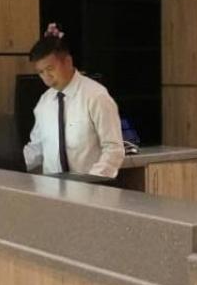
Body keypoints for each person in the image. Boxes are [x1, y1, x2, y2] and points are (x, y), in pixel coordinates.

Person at [22, 34, 124, 178]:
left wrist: (92, 180)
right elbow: (37, 147)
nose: (46, 76)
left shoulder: (96, 96)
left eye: (50, 68)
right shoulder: (44, 102)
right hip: (51, 188)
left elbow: (113, 149)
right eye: (41, 72)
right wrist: (10, 164)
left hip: (90, 188)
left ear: (68, 62)